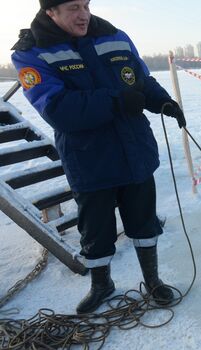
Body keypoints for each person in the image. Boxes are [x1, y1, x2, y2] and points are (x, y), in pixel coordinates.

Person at [11, 0, 187, 314]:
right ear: (50, 11)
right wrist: (116, 102)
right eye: (73, 8)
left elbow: (140, 80)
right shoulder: (31, 53)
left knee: (144, 223)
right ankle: (102, 285)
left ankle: (153, 280)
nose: (84, 15)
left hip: (136, 153)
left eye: (87, 5)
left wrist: (163, 102)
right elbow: (57, 108)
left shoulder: (115, 36)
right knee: (96, 232)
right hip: (89, 161)